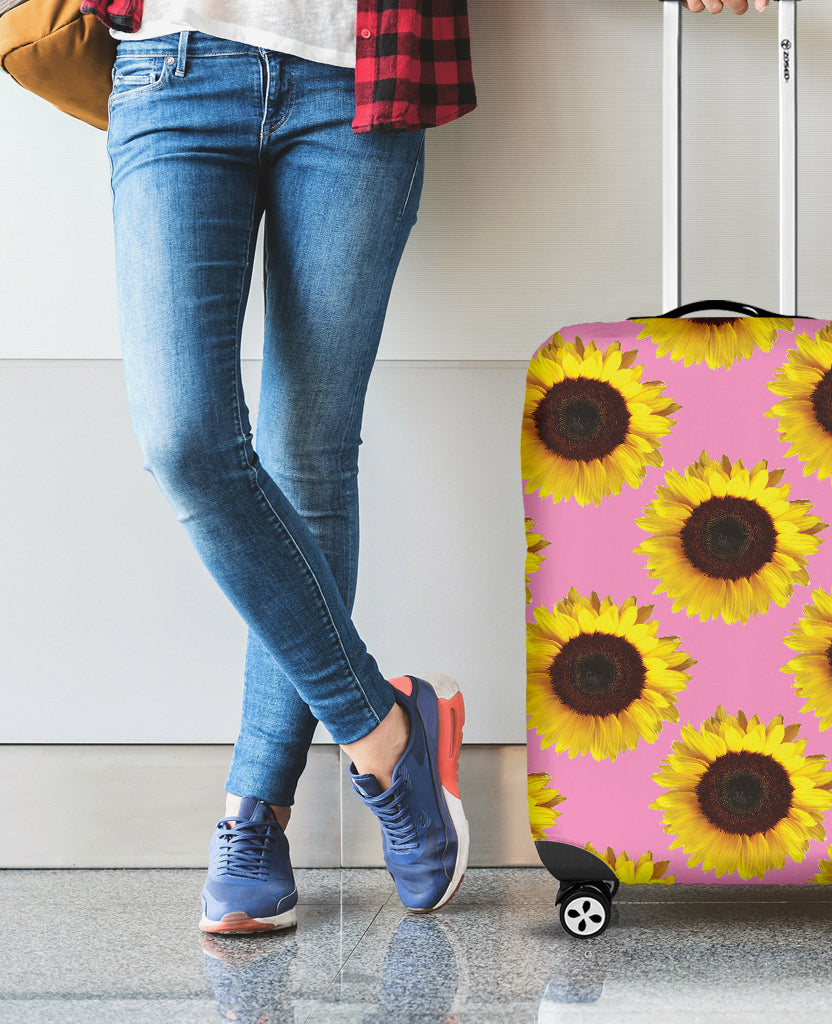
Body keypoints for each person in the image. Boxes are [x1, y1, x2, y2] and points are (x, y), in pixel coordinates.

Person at [85, 0, 476, 933]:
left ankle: (255, 814)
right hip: (173, 70)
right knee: (184, 441)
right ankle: (386, 730)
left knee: (307, 456)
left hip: (359, 79)